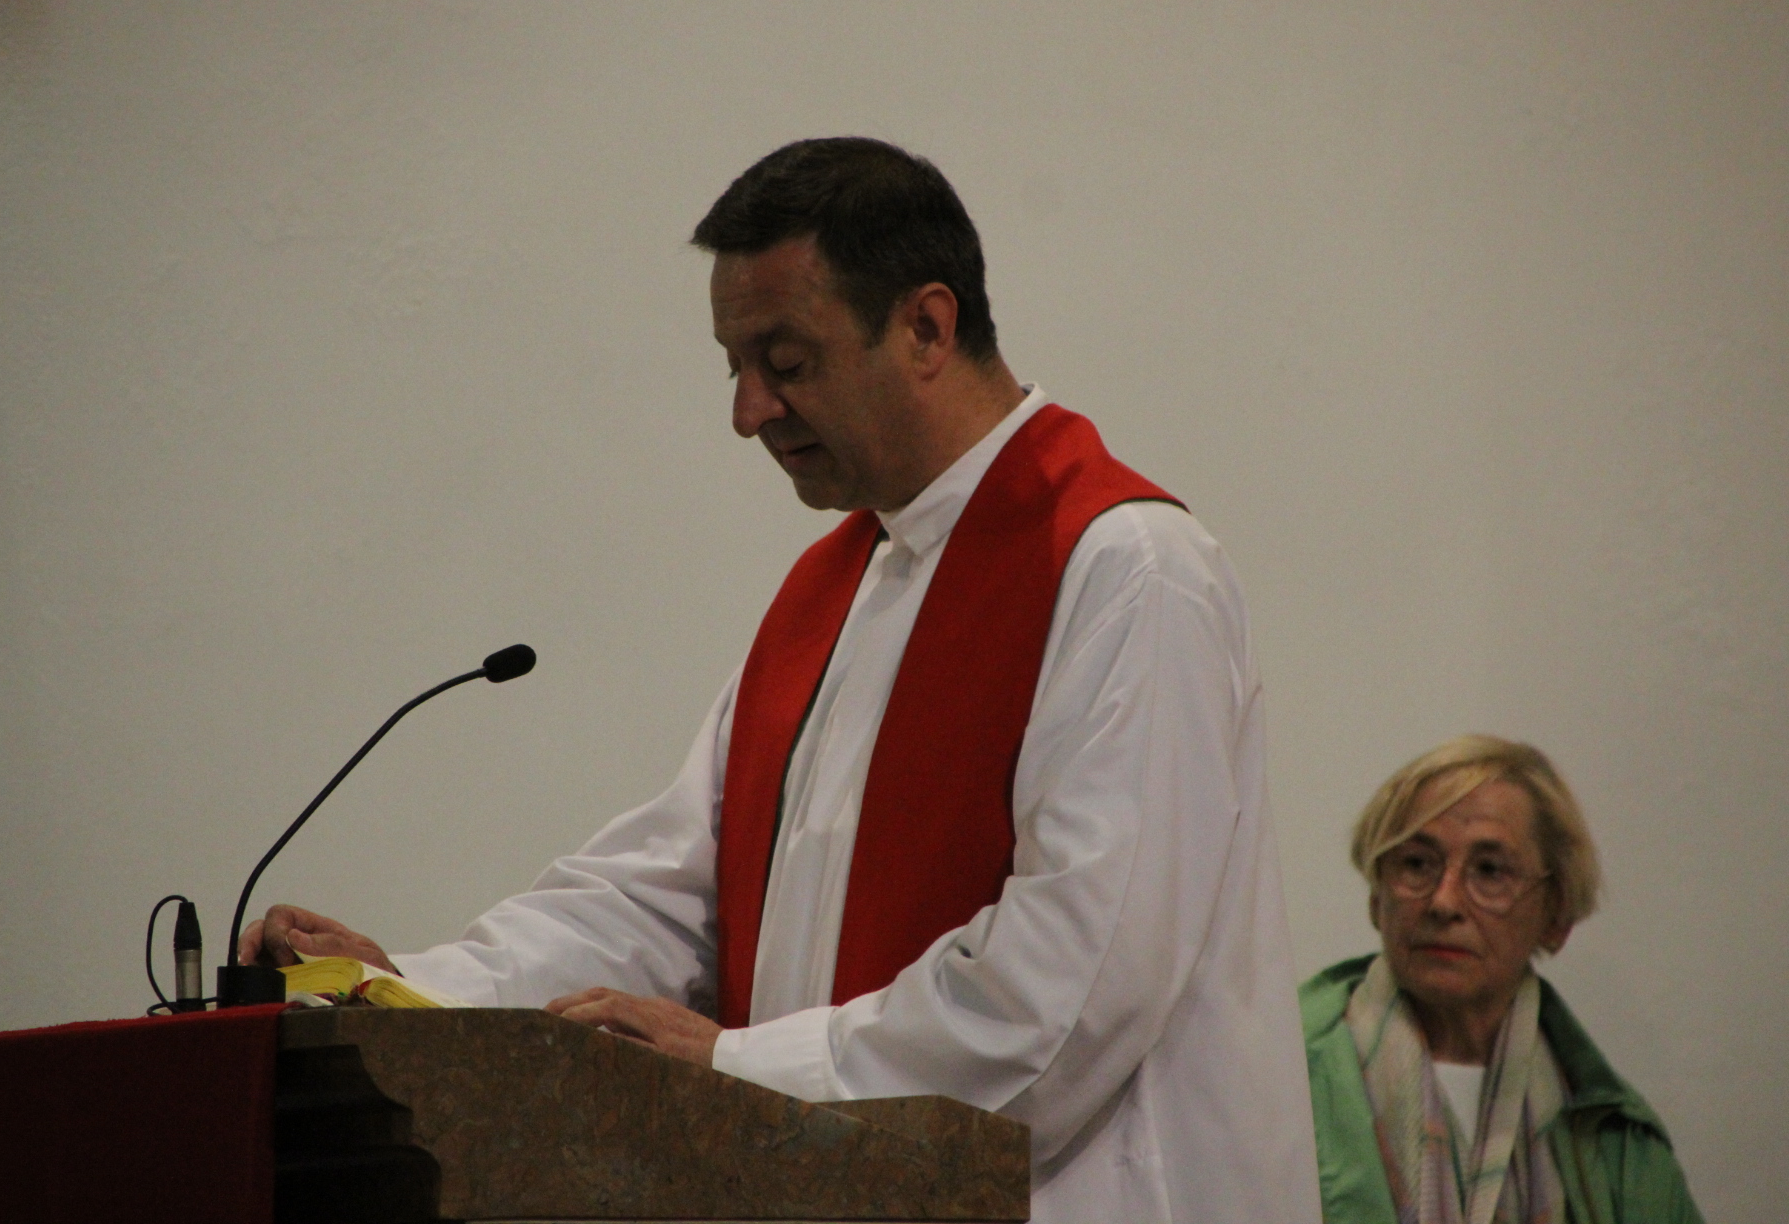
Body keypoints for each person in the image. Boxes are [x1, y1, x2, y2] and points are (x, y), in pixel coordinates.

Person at [243, 137, 1319, 1222]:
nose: (749, 410)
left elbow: (1076, 989)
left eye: (788, 362)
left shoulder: (1126, 568)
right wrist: (410, 990)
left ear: (927, 327)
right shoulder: (832, 590)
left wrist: (741, 1066)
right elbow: (667, 898)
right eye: (735, 368)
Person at [1300, 735, 1704, 1224]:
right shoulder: (1283, 1076)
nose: (1444, 902)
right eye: (1416, 864)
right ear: (1375, 895)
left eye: (1490, 871)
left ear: (1555, 917)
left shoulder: (1615, 1137)